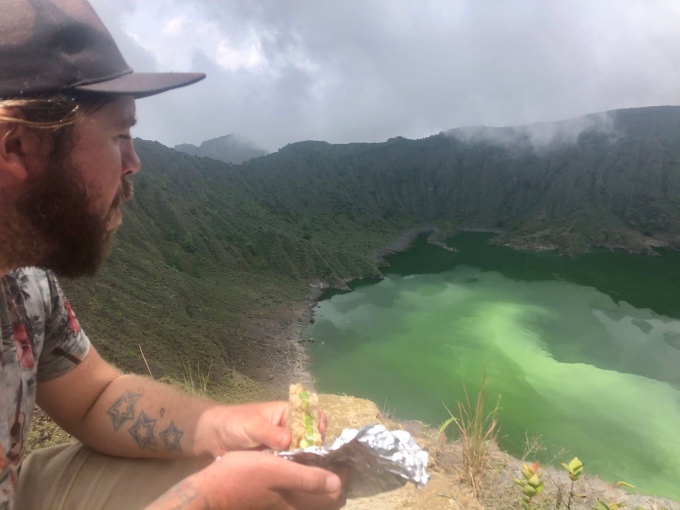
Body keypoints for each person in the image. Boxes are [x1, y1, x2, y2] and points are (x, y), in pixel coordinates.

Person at [0, 1, 346, 509]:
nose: (134, 162)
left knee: (264, 480)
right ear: (17, 147)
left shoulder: (25, 282)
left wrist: (222, 426)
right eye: (119, 135)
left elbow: (94, 398)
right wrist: (204, 501)